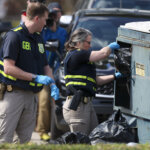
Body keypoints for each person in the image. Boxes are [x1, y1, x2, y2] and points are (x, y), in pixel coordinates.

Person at [0, 2, 59, 143]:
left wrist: (52, 84)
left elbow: (46, 66)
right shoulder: (14, 36)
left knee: (23, 141)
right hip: (13, 94)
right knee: (4, 138)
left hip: (31, 96)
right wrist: (35, 77)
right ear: (37, 18)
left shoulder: (38, 38)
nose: (46, 23)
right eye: (45, 19)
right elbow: (8, 68)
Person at [62, 28, 121, 135]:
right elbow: (103, 54)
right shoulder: (76, 54)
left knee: (94, 139)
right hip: (77, 107)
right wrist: (110, 46)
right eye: (88, 42)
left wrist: (115, 76)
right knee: (80, 143)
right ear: (78, 42)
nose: (90, 45)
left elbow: (96, 80)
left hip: (86, 105)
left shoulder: (83, 60)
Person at [35, 2, 67, 141]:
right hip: (41, 70)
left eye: (57, 12)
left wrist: (54, 29)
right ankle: (42, 130)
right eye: (51, 12)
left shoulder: (62, 32)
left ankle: (55, 131)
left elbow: (63, 51)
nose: (54, 15)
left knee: (55, 103)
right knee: (43, 101)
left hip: (56, 71)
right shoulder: (42, 29)